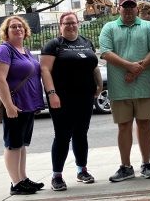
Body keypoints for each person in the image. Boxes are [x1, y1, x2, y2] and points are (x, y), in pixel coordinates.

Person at [99, 0, 150, 182]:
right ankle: (125, 167)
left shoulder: (148, 26)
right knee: (124, 126)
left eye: (131, 6)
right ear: (119, 9)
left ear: (136, 9)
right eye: (124, 7)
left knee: (144, 125)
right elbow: (105, 52)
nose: (128, 10)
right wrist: (129, 66)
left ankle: (146, 163)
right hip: (120, 88)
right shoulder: (109, 28)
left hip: (145, 87)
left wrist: (135, 71)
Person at [40, 12, 103, 191]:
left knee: (81, 134)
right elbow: (45, 70)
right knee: (62, 136)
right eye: (66, 23)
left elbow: (94, 66)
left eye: (73, 23)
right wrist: (52, 93)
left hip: (84, 97)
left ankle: (82, 170)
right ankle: (57, 175)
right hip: (62, 98)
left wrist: (98, 85)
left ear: (78, 24)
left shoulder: (86, 42)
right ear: (60, 25)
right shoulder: (54, 45)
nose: (70, 26)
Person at [0, 16, 44, 195]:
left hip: (28, 105)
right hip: (15, 105)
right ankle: (15, 183)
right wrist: (9, 106)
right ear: (6, 32)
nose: (18, 29)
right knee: (12, 145)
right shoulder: (4, 50)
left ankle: (23, 178)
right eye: (13, 27)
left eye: (20, 26)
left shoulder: (24, 50)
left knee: (21, 144)